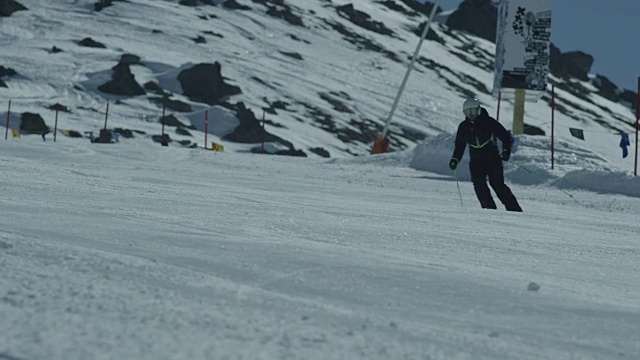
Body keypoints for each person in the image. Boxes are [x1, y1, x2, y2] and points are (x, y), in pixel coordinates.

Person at [449, 98, 522, 212]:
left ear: (478, 109)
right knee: (479, 186)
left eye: (473, 111)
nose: (471, 114)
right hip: (476, 161)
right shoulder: (464, 126)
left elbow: (505, 136)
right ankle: (489, 211)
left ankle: (515, 210)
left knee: (497, 185)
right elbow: (460, 145)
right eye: (467, 112)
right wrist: (455, 159)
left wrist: (506, 150)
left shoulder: (488, 121)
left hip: (492, 159)